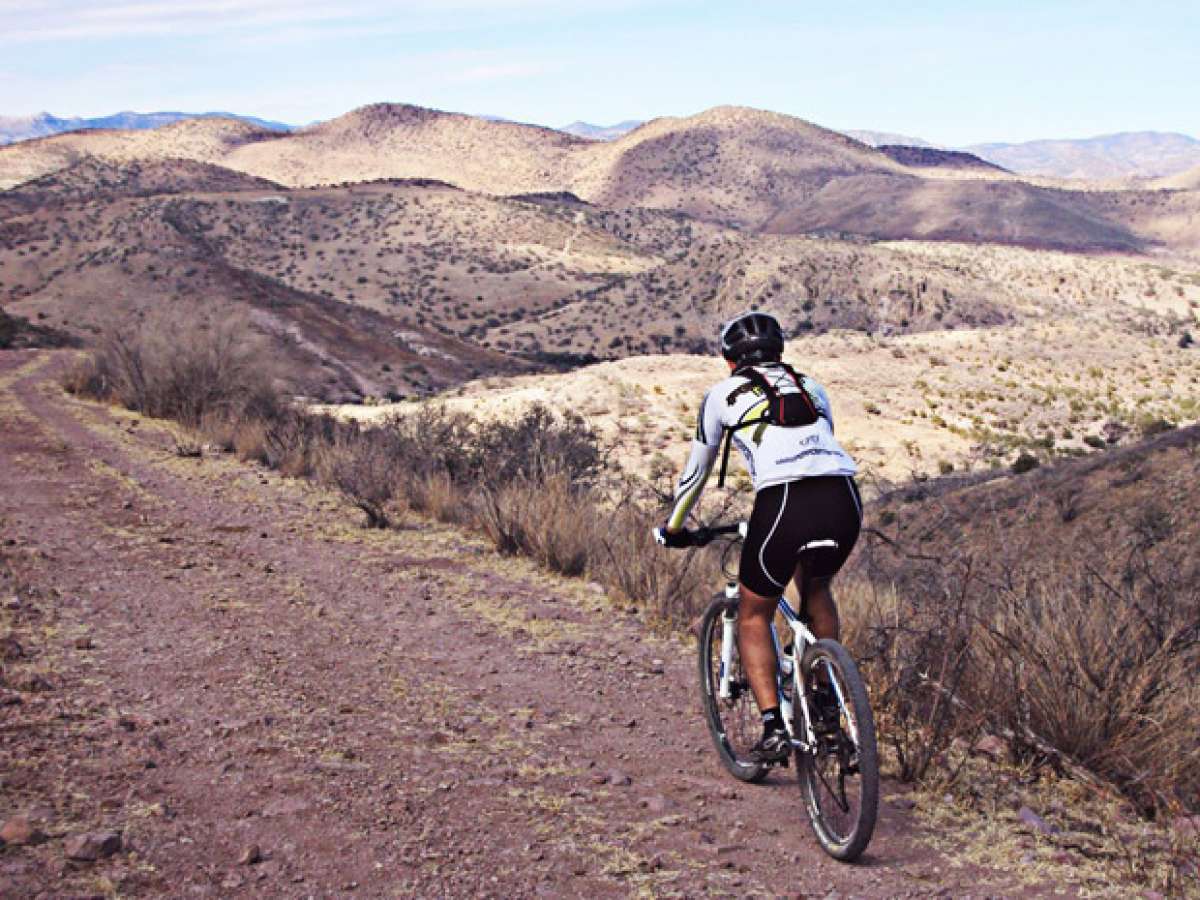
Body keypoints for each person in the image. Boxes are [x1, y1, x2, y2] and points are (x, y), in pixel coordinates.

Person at [656, 311, 862, 763]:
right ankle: (828, 712)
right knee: (817, 586)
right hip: (844, 496)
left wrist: (673, 528)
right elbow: (820, 449)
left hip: (784, 501)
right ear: (779, 353)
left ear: (730, 361)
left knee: (754, 614)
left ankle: (772, 727)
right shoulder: (813, 388)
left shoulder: (720, 394)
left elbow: (696, 474)